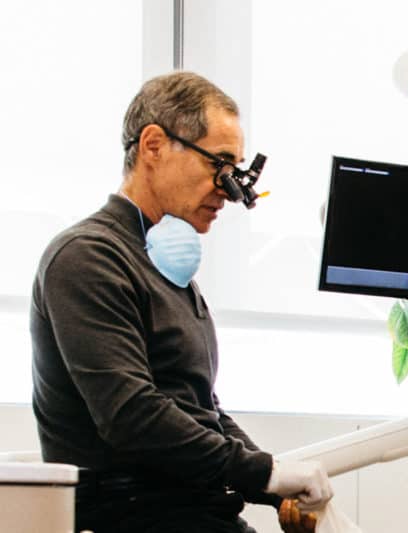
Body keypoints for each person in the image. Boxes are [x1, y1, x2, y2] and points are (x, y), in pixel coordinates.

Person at [30, 71, 332, 533]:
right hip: (136, 517)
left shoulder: (167, 270)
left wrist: (268, 480)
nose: (229, 191)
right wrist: (264, 472)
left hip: (195, 512)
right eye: (220, 164)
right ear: (153, 145)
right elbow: (132, 415)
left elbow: (201, 408)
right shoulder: (87, 258)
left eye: (236, 171)